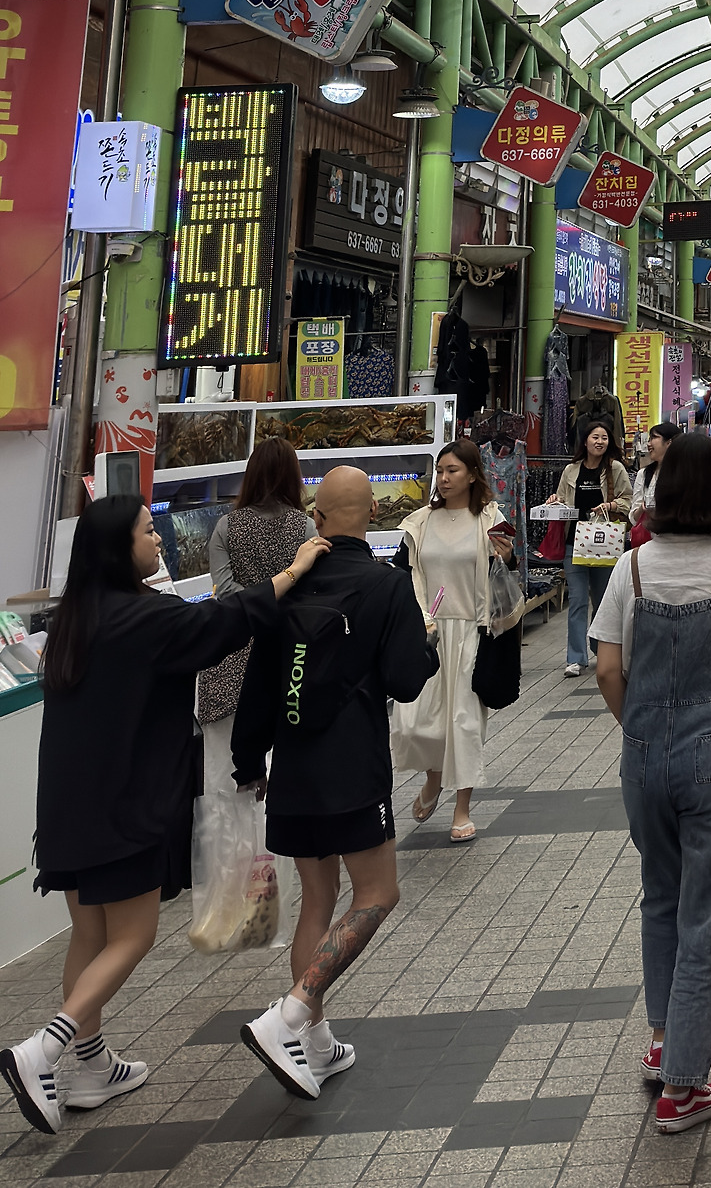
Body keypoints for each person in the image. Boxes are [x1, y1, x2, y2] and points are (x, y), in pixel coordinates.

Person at [0, 497, 326, 1135]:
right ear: (119, 548)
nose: (159, 541)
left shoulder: (75, 619)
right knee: (132, 936)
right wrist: (291, 572)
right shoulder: (143, 617)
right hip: (124, 809)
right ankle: (42, 1050)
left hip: (66, 808)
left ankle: (92, 1067)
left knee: (90, 936)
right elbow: (221, 622)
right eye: (148, 532)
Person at [590, 434, 711, 1137]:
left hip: (645, 759)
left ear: (664, 491)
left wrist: (637, 730)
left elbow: (607, 668)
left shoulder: (632, 567)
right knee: (709, 916)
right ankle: (683, 1086)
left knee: (662, 898)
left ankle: (664, 1039)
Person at [233, 465, 438, 1098]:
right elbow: (405, 680)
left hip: (293, 768)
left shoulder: (289, 584)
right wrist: (426, 644)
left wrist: (249, 763)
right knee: (378, 894)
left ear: (316, 518)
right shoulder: (387, 585)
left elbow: (258, 687)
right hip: (354, 769)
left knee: (316, 901)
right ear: (372, 515)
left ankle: (315, 1045)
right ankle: (289, 1016)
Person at [389, 439, 515, 843]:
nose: (443, 479)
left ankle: (462, 809)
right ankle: (434, 777)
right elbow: (403, 573)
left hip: (472, 631)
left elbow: (504, 572)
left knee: (464, 722)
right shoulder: (420, 522)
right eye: (440, 471)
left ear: (473, 474)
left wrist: (506, 557)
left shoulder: (489, 518)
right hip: (428, 631)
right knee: (414, 722)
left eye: (452, 470)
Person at [196, 437, 315, 736]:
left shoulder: (226, 526)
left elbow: (224, 590)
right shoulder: (306, 527)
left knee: (228, 755)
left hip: (230, 650)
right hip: (288, 651)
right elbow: (310, 590)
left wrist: (255, 605)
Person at [554, 420, 631, 678]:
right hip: (574, 544)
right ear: (585, 440)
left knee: (602, 601)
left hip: (604, 544)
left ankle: (601, 648)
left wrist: (610, 505)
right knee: (577, 600)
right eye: (595, 437)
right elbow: (562, 499)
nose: (600, 442)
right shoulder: (571, 470)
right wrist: (554, 501)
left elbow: (629, 500)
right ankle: (576, 658)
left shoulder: (615, 468)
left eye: (604, 438)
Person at [628, 421, 680, 536]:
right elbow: (633, 519)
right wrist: (643, 509)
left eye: (654, 438)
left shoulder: (683, 473)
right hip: (650, 539)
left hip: (678, 538)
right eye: (649, 439)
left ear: (669, 443)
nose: (649, 444)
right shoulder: (644, 474)